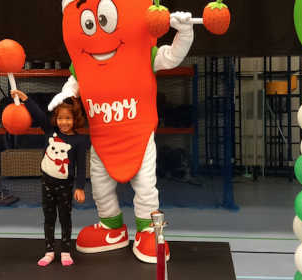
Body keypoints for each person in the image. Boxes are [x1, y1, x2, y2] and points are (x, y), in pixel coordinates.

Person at [47, 0, 195, 263]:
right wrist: (65, 94)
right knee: (101, 186)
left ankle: (148, 230)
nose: (98, 34)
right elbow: (74, 82)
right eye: (90, 24)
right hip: (102, 137)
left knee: (145, 185)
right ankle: (111, 227)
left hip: (138, 133)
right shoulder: (82, 63)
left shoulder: (143, 53)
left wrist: (184, 33)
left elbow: (171, 56)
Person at [11, 89, 87, 267]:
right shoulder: (50, 130)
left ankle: (66, 251)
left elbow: (81, 166)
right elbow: (37, 114)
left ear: (75, 119)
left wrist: (80, 188)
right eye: (60, 118)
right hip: (47, 184)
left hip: (66, 185)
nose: (64, 122)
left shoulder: (79, 140)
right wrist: (25, 99)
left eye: (68, 118)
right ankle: (49, 251)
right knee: (49, 218)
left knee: (65, 218)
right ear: (55, 119)